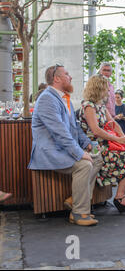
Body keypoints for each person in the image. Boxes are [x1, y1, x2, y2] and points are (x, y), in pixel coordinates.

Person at [28, 65, 102, 226]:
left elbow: (73, 127)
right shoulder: (47, 98)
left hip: (63, 149)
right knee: (84, 164)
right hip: (50, 152)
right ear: (57, 79)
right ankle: (79, 212)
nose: (70, 77)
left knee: (97, 158)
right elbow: (60, 132)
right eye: (67, 74)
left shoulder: (63, 98)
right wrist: (79, 153)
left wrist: (86, 143)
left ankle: (75, 200)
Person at [79, 75, 125, 212]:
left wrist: (124, 137)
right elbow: (95, 130)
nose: (109, 91)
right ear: (98, 88)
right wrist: (119, 140)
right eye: (106, 88)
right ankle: (120, 197)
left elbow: (113, 123)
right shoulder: (88, 106)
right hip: (97, 148)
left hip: (107, 145)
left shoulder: (100, 105)